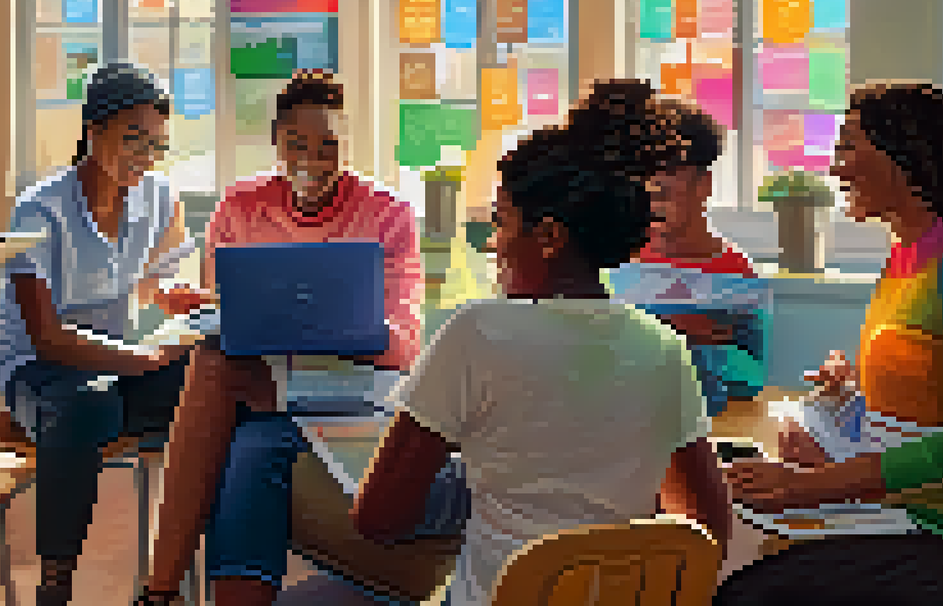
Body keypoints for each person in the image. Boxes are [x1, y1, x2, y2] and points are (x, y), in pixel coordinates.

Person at [349, 82, 730, 605]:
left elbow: (380, 519)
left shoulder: (476, 333)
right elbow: (706, 531)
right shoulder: (664, 349)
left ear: (549, 237)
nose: (494, 242)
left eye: (502, 223)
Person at [135, 70, 433, 606]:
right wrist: (200, 304)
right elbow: (227, 315)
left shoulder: (389, 213)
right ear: (276, 142)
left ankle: (160, 591)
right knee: (243, 440)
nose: (313, 162)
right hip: (258, 387)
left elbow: (405, 344)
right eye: (298, 145)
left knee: (219, 390)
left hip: (351, 386)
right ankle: (172, 593)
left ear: (347, 146)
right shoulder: (240, 206)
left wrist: (331, 319)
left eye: (329, 147)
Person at [717, 83, 943, 605]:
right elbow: (930, 388)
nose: (837, 169)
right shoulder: (906, 255)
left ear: (907, 153)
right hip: (898, 512)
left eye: (850, 147)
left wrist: (808, 487)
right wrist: (851, 392)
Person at [0, 63, 204, 606]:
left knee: (217, 382)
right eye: (133, 138)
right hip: (47, 368)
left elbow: (158, 284)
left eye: (156, 143)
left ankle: (175, 580)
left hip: (122, 368)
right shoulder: (39, 209)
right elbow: (47, 338)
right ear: (93, 130)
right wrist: (145, 357)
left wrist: (188, 302)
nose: (145, 155)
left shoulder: (160, 198)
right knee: (84, 408)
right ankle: (55, 585)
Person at [622, 96, 767, 416]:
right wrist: (668, 329)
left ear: (704, 184)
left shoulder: (734, 274)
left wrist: (691, 346)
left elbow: (751, 380)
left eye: (663, 190)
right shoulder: (616, 265)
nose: (651, 204)